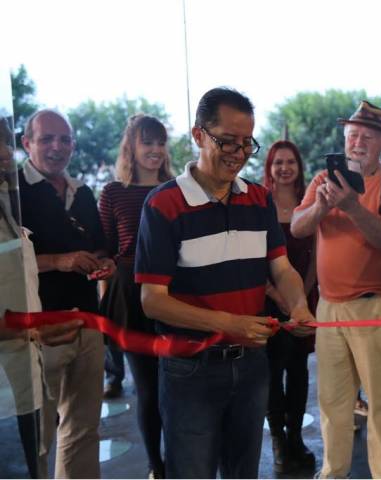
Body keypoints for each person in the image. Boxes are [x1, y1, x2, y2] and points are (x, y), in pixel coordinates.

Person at [135, 87, 314, 479]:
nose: (238, 152)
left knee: (243, 470)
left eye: (247, 143)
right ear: (198, 135)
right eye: (227, 141)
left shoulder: (258, 199)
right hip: (189, 369)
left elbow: (281, 269)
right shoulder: (164, 205)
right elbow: (153, 300)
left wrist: (297, 304)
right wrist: (229, 324)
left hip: (251, 365)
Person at [291, 100, 381, 478]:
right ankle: (333, 472)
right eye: (352, 135)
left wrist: (353, 207)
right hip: (329, 306)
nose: (357, 142)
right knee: (332, 401)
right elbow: (298, 227)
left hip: (377, 305)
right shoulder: (322, 180)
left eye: (367, 136)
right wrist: (322, 208)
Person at [18, 109, 115, 478]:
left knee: (84, 430)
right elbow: (8, 263)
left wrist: (107, 265)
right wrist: (59, 260)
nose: (57, 147)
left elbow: (100, 248)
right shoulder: (12, 193)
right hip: (38, 330)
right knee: (38, 436)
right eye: (46, 139)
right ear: (27, 143)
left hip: (88, 323)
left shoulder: (83, 192)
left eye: (64, 139)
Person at [98, 114, 174, 477]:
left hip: (175, 292)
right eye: (148, 142)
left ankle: (180, 459)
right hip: (129, 293)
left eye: (160, 142)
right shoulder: (113, 192)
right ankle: (156, 466)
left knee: (176, 383)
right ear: (132, 146)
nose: (155, 150)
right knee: (146, 386)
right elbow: (106, 249)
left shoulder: (178, 189)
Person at [261, 140, 318, 474]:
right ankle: (279, 440)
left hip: (302, 301)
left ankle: (296, 436)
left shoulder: (306, 203)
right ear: (269, 167)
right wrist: (278, 296)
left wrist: (302, 297)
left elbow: (315, 254)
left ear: (298, 167)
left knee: (298, 371)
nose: (284, 168)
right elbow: (257, 258)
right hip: (267, 300)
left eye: (290, 162)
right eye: (277, 162)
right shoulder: (261, 205)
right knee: (271, 374)